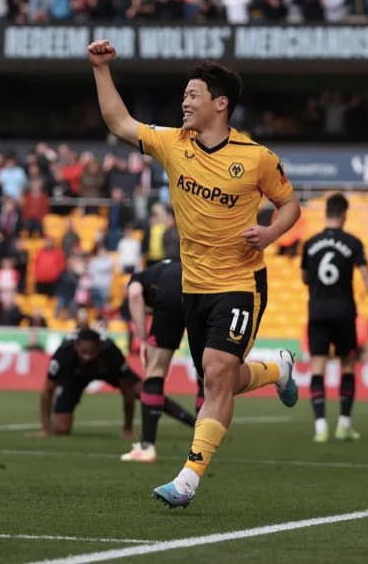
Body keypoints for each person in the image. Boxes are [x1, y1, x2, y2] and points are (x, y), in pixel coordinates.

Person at [89, 41, 301, 508]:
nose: (184, 102)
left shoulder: (256, 158)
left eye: (193, 95)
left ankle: (187, 479)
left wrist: (269, 233)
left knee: (216, 373)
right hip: (193, 285)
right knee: (220, 381)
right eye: (184, 95)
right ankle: (276, 368)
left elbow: (290, 205)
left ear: (220, 103)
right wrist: (101, 69)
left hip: (240, 284)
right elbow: (119, 123)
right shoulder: (172, 144)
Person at [300, 193, 368, 443]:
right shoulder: (353, 243)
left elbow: (305, 278)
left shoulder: (310, 244)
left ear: (326, 212)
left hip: (317, 312)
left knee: (318, 366)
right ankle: (344, 425)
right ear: (344, 214)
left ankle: (320, 428)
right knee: (347, 365)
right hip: (343, 312)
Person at [38, 328, 195, 437]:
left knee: (143, 391)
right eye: (83, 353)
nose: (86, 357)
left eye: (91, 353)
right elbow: (47, 391)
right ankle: (52, 425)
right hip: (74, 378)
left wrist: (127, 429)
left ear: (99, 348)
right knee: (61, 429)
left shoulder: (110, 351)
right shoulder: (64, 353)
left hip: (108, 371)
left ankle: (192, 422)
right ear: (76, 346)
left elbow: (127, 392)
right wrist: (45, 428)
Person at [120, 259, 204, 463]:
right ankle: (204, 443)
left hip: (172, 298)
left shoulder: (137, 279)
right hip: (203, 292)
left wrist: (141, 338)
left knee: (154, 372)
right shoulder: (167, 268)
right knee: (205, 373)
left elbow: (134, 294)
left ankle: (147, 447)